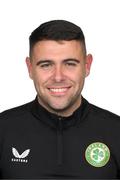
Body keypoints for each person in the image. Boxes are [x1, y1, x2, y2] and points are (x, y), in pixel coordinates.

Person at [0, 20, 120, 179]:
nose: (58, 77)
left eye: (70, 64)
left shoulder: (116, 131)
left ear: (87, 65)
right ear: (30, 68)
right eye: (46, 65)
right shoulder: (3, 129)